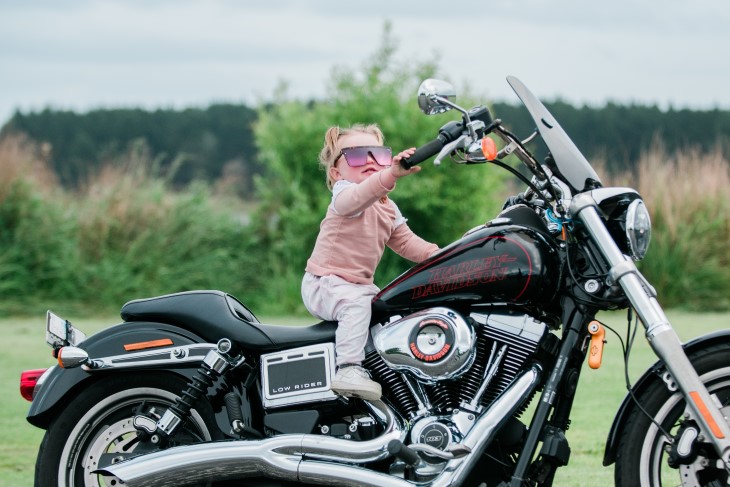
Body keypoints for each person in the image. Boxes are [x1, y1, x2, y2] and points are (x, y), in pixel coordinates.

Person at [301, 123, 439, 401]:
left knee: (390, 312)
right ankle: (348, 369)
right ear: (337, 172)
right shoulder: (344, 193)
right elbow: (359, 198)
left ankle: (385, 369)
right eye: (356, 155)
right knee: (357, 305)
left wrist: (443, 256)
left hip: (358, 287)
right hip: (325, 282)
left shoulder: (387, 206)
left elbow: (406, 242)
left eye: (379, 155)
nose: (370, 162)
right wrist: (389, 174)